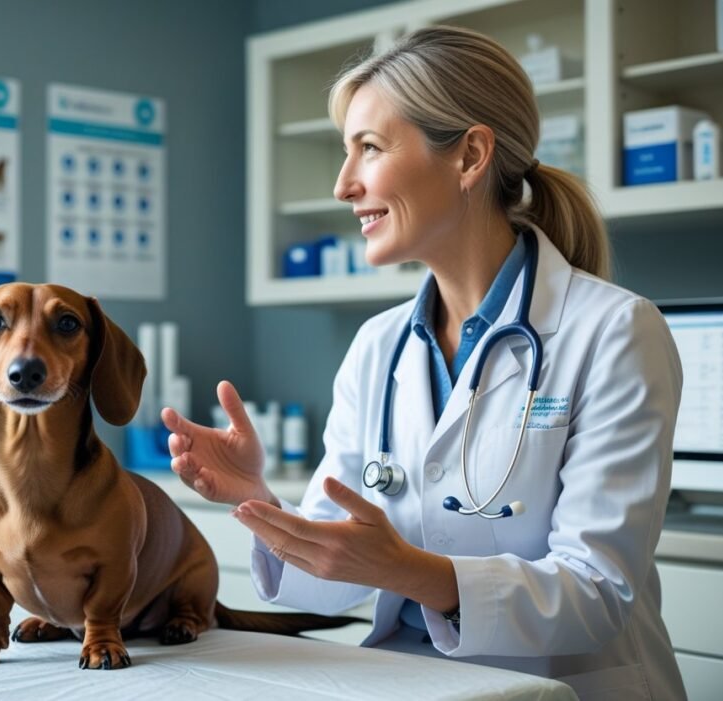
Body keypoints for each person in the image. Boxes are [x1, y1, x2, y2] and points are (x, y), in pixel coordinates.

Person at [161, 26, 686, 701]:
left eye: (370, 149)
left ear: (469, 156)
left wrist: (409, 569)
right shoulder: (379, 346)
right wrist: (259, 501)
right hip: (409, 682)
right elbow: (339, 573)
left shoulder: (614, 331)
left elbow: (595, 590)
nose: (343, 184)